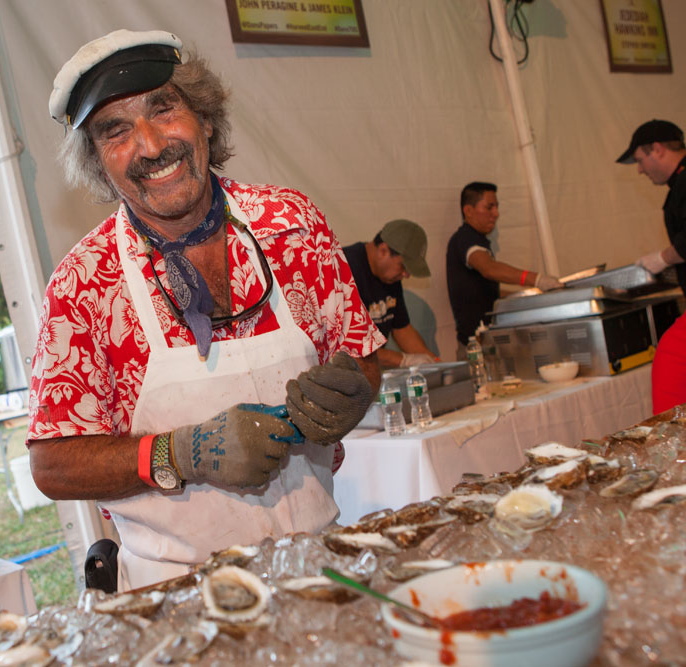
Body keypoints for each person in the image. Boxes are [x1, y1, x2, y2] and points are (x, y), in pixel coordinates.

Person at [28, 29, 384, 591]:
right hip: (177, 593)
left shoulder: (292, 223)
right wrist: (181, 453)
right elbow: (52, 465)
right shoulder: (83, 283)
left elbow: (361, 358)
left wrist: (357, 388)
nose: (148, 145)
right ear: (99, 164)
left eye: (162, 109)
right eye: (115, 131)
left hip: (319, 564)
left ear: (206, 119)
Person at [445, 181, 562, 356]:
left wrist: (531, 294)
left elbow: (487, 292)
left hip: (491, 341)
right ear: (468, 210)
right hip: (476, 347)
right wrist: (536, 279)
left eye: (497, 207)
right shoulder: (465, 239)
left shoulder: (478, 240)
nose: (496, 214)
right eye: (489, 207)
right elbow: (489, 269)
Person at [342, 219, 439, 369]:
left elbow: (402, 328)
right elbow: (350, 347)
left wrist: (432, 362)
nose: (406, 275)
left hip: (367, 373)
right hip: (339, 376)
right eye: (403, 266)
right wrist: (404, 360)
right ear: (383, 251)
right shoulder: (343, 270)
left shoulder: (390, 277)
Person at [616, 119, 686, 294]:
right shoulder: (678, 184)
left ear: (657, 149)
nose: (640, 170)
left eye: (640, 160)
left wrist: (663, 259)